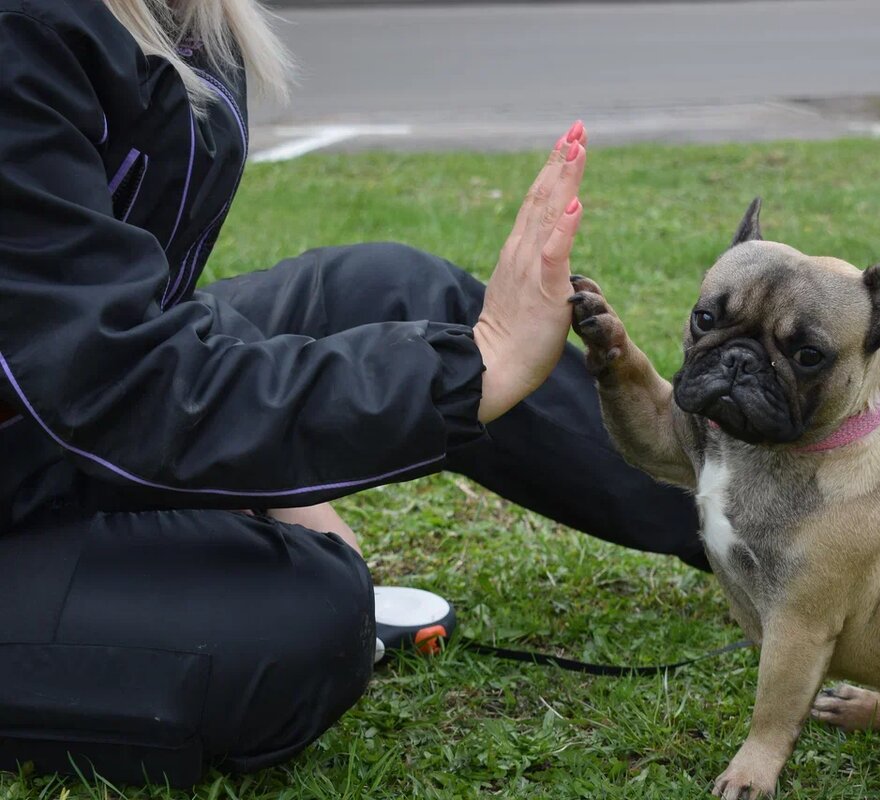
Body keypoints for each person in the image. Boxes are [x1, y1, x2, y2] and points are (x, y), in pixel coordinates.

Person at [0, 0, 706, 787]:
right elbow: (114, 385)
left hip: (61, 419)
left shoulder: (182, 16)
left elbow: (110, 336)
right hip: (37, 459)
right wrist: (474, 369)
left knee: (397, 291)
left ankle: (755, 523)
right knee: (302, 621)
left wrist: (249, 471)